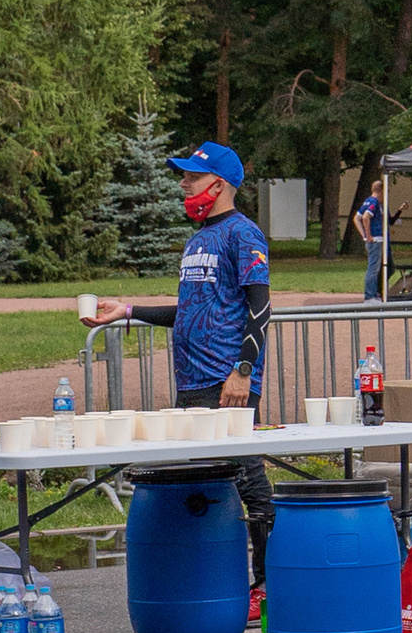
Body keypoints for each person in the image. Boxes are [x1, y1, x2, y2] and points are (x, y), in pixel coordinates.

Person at [91, 140, 276, 591]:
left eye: (191, 177)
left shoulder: (243, 234)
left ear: (218, 184)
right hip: (191, 381)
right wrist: (128, 310)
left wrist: (243, 370)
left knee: (249, 481)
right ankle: (220, 585)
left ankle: (268, 586)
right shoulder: (197, 240)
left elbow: (261, 307)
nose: (183, 183)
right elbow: (189, 310)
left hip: (227, 380)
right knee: (209, 485)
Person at [354, 174, 386, 304]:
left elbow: (356, 218)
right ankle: (370, 296)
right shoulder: (374, 203)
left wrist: (363, 235)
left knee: (373, 267)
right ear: (381, 191)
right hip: (375, 239)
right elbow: (366, 217)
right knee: (373, 268)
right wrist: (369, 236)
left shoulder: (366, 201)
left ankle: (373, 293)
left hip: (371, 239)